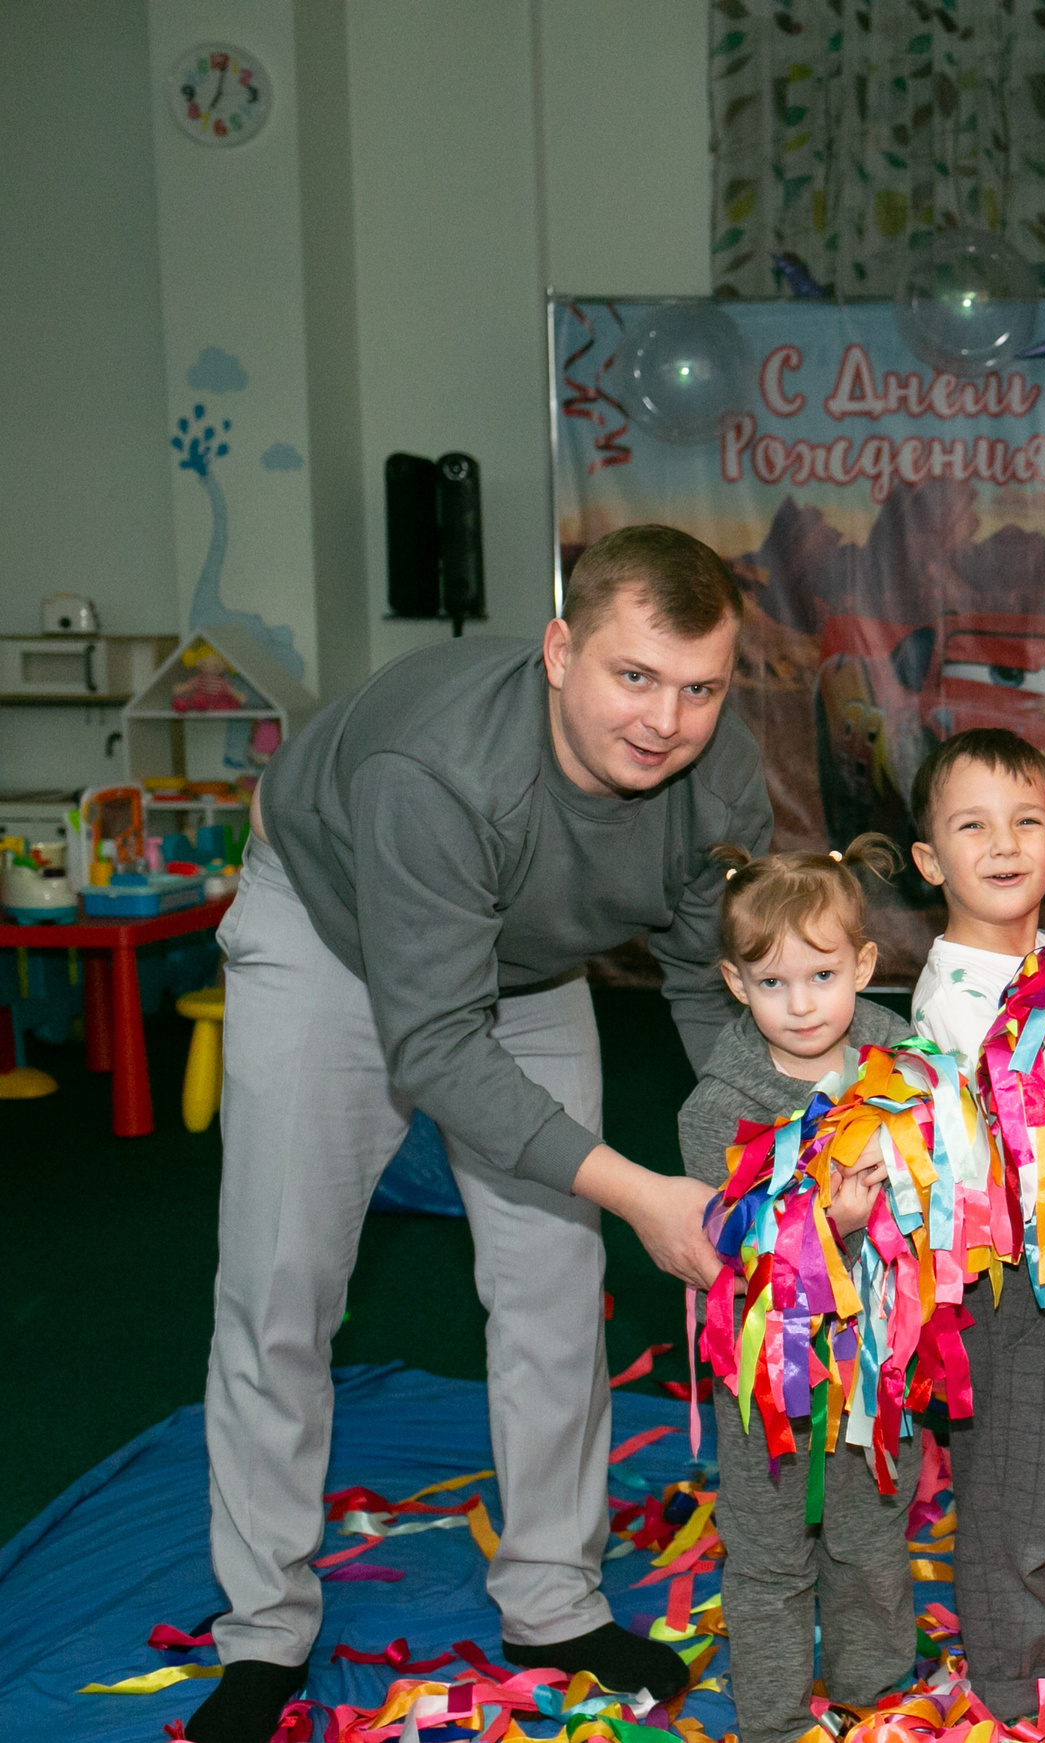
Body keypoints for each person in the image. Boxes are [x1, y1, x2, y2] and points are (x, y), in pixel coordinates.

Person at [191, 526, 770, 1743]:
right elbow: (437, 1046)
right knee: (283, 1279)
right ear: (560, 652)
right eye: (633, 677)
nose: (667, 722)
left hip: (524, 956)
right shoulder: (436, 767)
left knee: (554, 1278)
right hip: (331, 926)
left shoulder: (719, 782)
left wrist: (766, 1157)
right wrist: (646, 1195)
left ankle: (552, 1599)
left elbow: (709, 984)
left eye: (700, 687)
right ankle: (264, 1630)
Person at [675, 838, 916, 1743]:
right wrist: (831, 1224)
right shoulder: (716, 1106)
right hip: (763, 1383)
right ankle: (773, 1720)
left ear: (862, 963)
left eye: (821, 974)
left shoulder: (899, 1063)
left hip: (878, 1368)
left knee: (871, 1540)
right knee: (770, 1555)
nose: (803, 1003)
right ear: (736, 985)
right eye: (772, 983)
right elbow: (728, 1245)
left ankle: (878, 1701)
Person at [905, 727, 1045, 1724]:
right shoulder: (956, 994)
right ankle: (1009, 1671)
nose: (1004, 843)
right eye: (973, 825)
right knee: (1015, 1478)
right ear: (930, 861)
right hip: (1002, 1275)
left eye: (1026, 820)